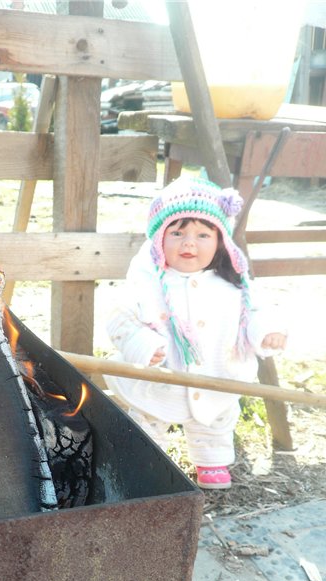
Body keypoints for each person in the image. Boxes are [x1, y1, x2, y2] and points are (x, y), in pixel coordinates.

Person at [105, 176, 287, 489]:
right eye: (177, 233)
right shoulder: (146, 283)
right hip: (161, 376)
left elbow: (255, 313)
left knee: (217, 418)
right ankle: (147, 457)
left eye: (203, 234)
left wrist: (266, 331)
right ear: (159, 239)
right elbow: (119, 320)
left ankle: (212, 461)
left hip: (217, 373)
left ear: (220, 241)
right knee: (149, 418)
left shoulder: (233, 286)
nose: (189, 243)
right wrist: (143, 345)